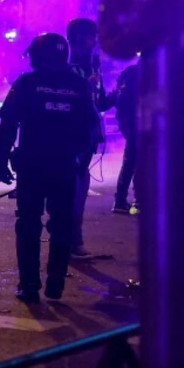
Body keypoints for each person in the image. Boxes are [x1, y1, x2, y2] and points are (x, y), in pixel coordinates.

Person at [0, 33, 102, 302]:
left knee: (28, 224)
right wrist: (77, 157)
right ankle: (55, 284)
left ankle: (29, 286)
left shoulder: (27, 84)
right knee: (62, 224)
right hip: (63, 165)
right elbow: (91, 127)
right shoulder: (78, 85)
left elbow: (8, 125)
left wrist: (0, 162)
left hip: (31, 166)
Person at [65, 18, 113, 259]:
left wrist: (121, 93)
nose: (93, 42)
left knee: (79, 188)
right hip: (70, 136)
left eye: (94, 36)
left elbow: (101, 102)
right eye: (88, 36)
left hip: (88, 135)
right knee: (69, 189)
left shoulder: (94, 66)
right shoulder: (64, 66)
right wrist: (85, 85)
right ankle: (71, 241)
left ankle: (74, 240)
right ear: (75, 39)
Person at [113, 64, 139, 214]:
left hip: (134, 129)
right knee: (133, 165)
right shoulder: (137, 75)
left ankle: (122, 199)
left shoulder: (130, 74)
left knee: (131, 165)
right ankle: (123, 200)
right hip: (137, 129)